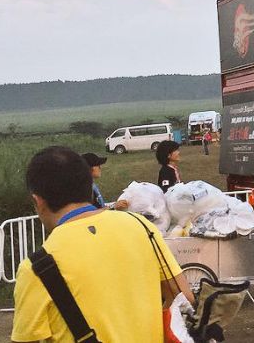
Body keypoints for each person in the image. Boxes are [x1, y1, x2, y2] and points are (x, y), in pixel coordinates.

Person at [12, 146, 193, 342]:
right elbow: (184, 296)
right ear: (88, 185)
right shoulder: (141, 227)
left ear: (38, 201)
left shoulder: (37, 268)